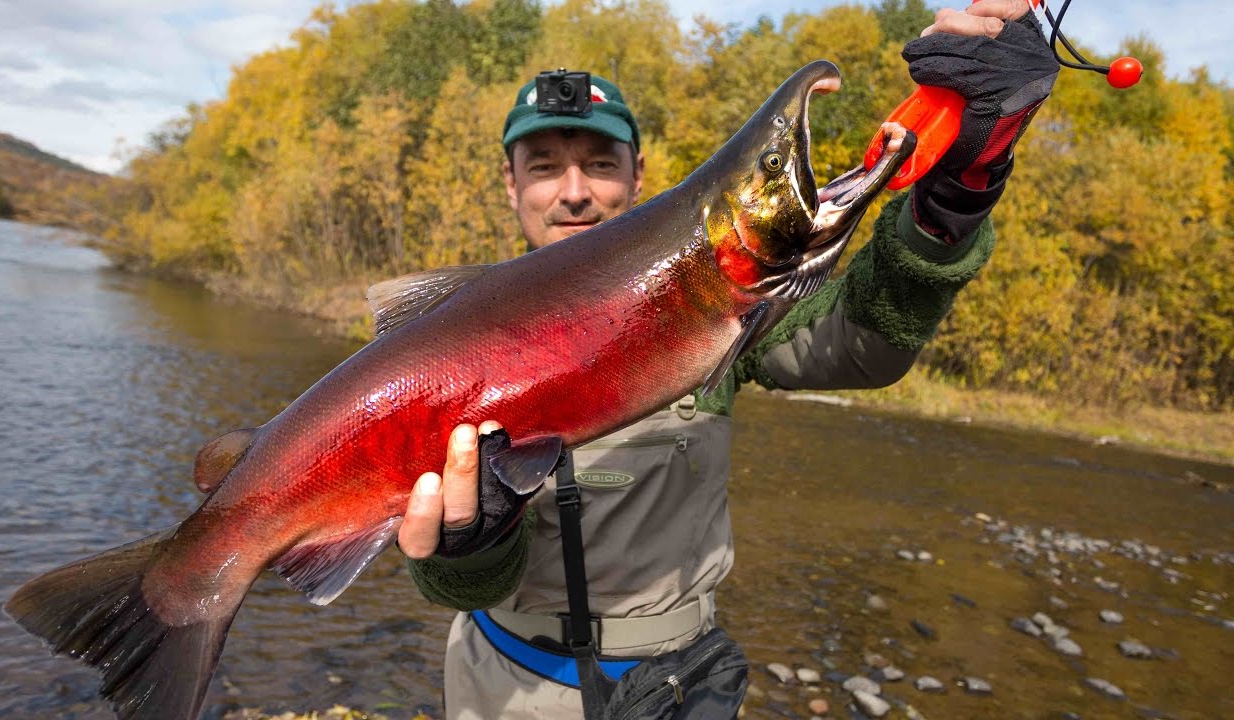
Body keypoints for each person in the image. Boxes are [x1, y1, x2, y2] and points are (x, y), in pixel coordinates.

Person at [394, 1, 1059, 717]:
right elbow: (454, 588)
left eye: (599, 163)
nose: (576, 191)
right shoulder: (446, 345)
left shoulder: (718, 302)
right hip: (502, 689)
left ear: (638, 173)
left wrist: (956, 195)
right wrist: (469, 548)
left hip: (681, 690)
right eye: (547, 166)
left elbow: (869, 338)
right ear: (510, 182)